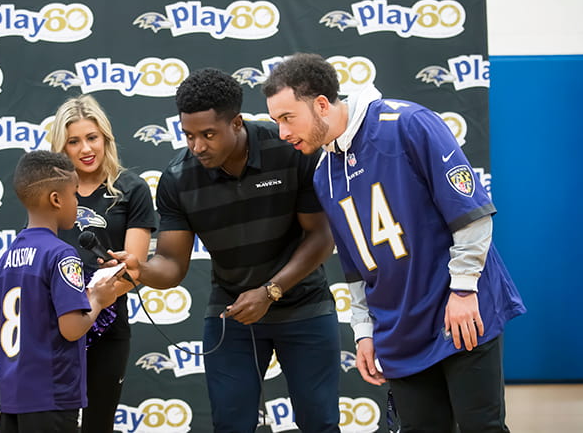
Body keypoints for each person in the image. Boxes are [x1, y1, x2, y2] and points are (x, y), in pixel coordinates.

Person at [263, 53, 527, 433]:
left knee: (481, 426)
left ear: (321, 104)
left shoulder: (407, 124)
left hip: (459, 311)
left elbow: (471, 213)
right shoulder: (324, 175)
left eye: (288, 118)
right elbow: (354, 265)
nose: (283, 132)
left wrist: (465, 290)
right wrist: (364, 331)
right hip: (399, 328)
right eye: (276, 121)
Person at [108, 68, 341, 432]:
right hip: (231, 313)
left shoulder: (287, 150)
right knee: (231, 425)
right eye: (188, 136)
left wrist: (270, 292)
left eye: (208, 134)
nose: (197, 146)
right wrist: (142, 269)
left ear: (236, 123)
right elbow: (171, 263)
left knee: (319, 423)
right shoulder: (177, 179)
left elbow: (321, 237)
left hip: (303, 304)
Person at [0, 150, 128, 433]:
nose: (77, 202)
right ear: (56, 199)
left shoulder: (10, 253)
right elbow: (72, 328)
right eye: (75, 194)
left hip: (13, 396)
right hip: (53, 396)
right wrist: (98, 298)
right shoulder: (63, 255)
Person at [49, 94, 157, 433]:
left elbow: (132, 271)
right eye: (74, 141)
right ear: (61, 147)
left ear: (105, 138)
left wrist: (94, 304)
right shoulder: (49, 191)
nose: (85, 149)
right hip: (56, 325)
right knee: (53, 422)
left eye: (92, 137)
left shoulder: (132, 189)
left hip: (109, 324)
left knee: (98, 423)